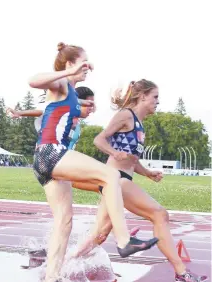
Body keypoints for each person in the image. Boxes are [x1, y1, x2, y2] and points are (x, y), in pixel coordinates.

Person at [27, 42, 158, 281]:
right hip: (52, 153)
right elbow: (33, 80)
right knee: (111, 176)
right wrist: (68, 72)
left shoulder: (71, 93)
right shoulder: (61, 83)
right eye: (82, 62)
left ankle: (52, 276)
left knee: (64, 222)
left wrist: (93, 104)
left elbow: (61, 111)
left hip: (47, 163)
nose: (87, 66)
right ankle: (124, 239)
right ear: (68, 64)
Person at [69, 80, 207, 282]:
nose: (158, 102)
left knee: (99, 235)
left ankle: (60, 264)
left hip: (119, 180)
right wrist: (114, 153)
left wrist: (148, 173)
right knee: (159, 214)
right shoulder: (126, 115)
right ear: (142, 96)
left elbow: (132, 160)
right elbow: (99, 139)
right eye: (155, 97)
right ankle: (181, 272)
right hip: (115, 179)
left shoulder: (140, 125)